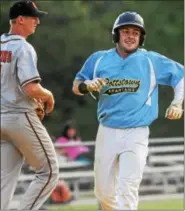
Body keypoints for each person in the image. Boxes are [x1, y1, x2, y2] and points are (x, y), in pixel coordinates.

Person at [72, 11, 184, 210]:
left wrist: (177, 103)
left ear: (141, 38)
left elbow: (181, 76)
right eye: (126, 31)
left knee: (128, 188)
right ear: (116, 35)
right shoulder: (99, 59)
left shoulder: (150, 60)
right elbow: (77, 84)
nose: (131, 36)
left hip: (137, 132)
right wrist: (87, 85)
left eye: (135, 32)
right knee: (103, 193)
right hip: (107, 131)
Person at [1, 1, 59, 210]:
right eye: (33, 17)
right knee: (49, 171)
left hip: (1, 121)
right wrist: (48, 95)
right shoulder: (23, 47)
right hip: (18, 117)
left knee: (4, 180)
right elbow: (31, 88)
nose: (37, 21)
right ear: (20, 20)